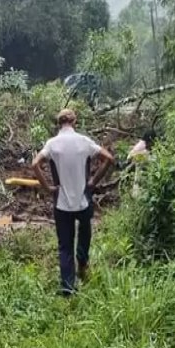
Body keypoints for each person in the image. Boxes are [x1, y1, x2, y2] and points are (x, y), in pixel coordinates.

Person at [32, 109, 114, 296]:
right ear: (74, 121)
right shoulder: (84, 141)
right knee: (85, 234)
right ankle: (83, 265)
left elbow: (35, 164)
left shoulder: (52, 144)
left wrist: (48, 188)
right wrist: (93, 182)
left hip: (62, 204)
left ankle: (68, 287)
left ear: (58, 123)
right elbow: (108, 158)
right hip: (83, 200)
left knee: (65, 245)